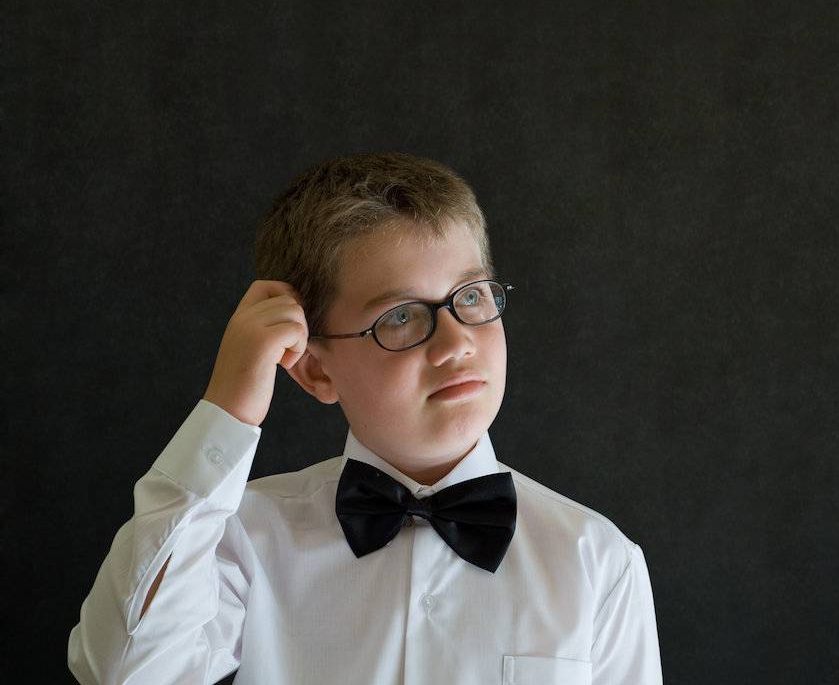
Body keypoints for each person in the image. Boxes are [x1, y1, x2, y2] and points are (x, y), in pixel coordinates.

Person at [68, 152, 662, 683]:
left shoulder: (598, 560)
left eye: (472, 296)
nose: (455, 343)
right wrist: (228, 409)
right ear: (316, 372)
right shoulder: (242, 538)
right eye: (401, 316)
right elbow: (127, 672)